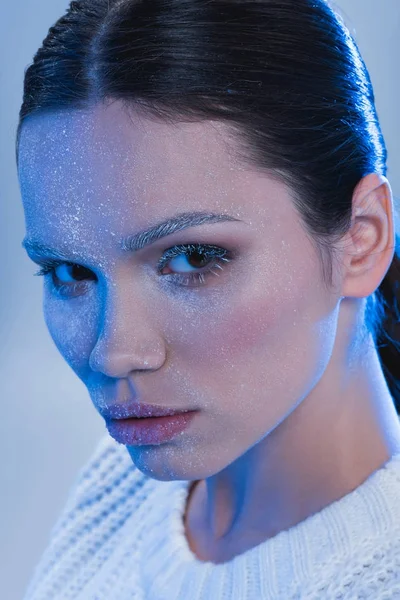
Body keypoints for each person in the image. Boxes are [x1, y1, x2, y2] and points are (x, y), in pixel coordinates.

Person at [17, 0, 400, 598]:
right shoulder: (123, 484)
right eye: (69, 271)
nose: (114, 353)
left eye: (193, 258)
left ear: (360, 240)